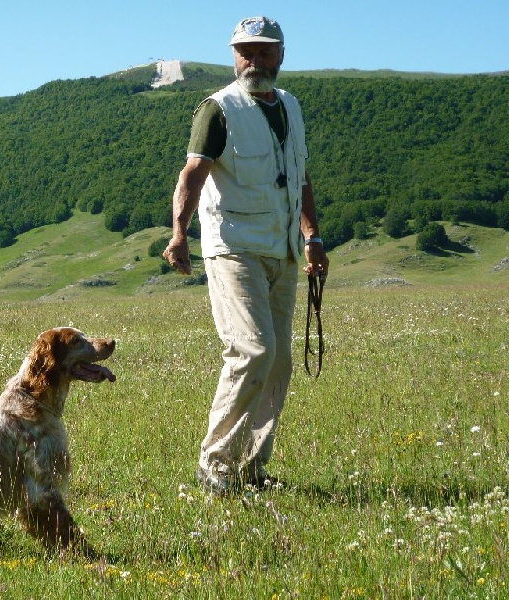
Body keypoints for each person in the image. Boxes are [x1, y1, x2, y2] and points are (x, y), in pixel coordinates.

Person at [162, 16, 329, 495]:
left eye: (263, 51)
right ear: (234, 55)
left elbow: (300, 179)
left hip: (284, 250)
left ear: (281, 55)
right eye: (244, 51)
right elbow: (191, 173)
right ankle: (216, 466)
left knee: (277, 363)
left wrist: (313, 238)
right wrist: (179, 234)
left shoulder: (291, 108)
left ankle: (252, 469)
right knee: (253, 350)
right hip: (233, 248)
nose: (253, 60)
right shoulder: (218, 109)